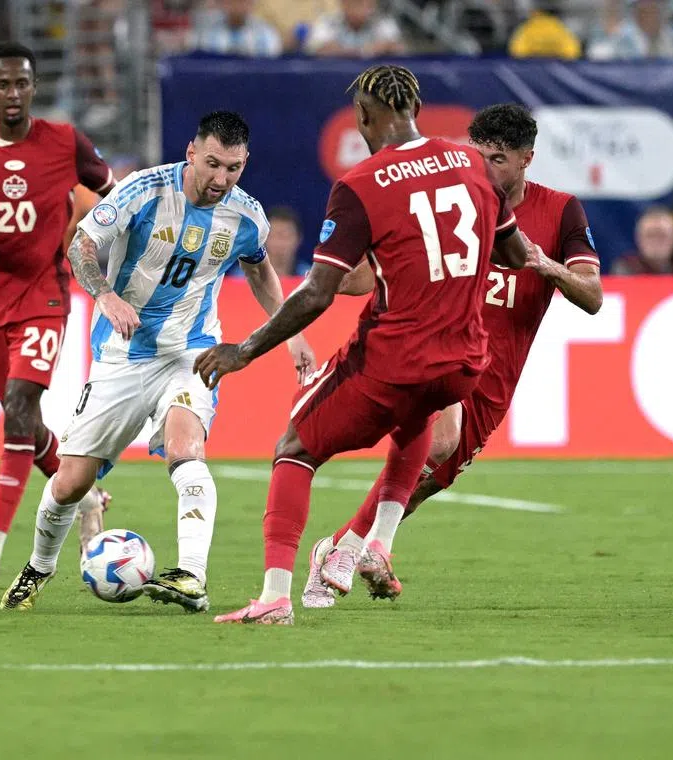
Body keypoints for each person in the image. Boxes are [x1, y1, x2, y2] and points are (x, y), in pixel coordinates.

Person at [196, 65, 531, 625]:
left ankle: (276, 595)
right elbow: (515, 256)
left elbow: (317, 293)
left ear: (363, 117)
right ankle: (373, 542)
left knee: (294, 449)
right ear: (415, 109)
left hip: (393, 359)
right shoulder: (473, 163)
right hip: (465, 363)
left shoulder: (361, 184)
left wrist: (246, 349)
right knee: (418, 415)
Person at [0, 110, 316, 614]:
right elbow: (82, 246)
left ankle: (192, 576)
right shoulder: (141, 191)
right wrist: (105, 295)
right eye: (212, 164)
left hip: (192, 350)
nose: (221, 179)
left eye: (233, 168)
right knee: (71, 481)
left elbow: (260, 270)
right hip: (121, 354)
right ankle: (39, 566)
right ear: (191, 152)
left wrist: (291, 332)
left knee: (185, 447)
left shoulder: (247, 215)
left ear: (245, 163)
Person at [302, 103, 603, 608]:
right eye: (479, 155)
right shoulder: (451, 197)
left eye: (500, 159)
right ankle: (353, 549)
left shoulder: (560, 210)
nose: (486, 168)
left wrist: (545, 265)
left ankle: (341, 548)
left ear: (527, 159)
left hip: (495, 376)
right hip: (436, 344)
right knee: (438, 440)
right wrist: (336, 277)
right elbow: (382, 266)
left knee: (427, 479)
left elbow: (592, 295)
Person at [0, 42, 118, 577]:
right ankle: (87, 499)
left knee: (18, 407)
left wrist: (96, 243)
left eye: (23, 84)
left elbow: (116, 197)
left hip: (46, 295)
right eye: (3, 84)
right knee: (26, 426)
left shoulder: (64, 142)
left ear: (34, 87)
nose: (14, 94)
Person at [610, 206, 673, 275]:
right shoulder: (626, 268)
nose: (656, 242)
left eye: (662, 236)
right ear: (638, 238)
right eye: (650, 235)